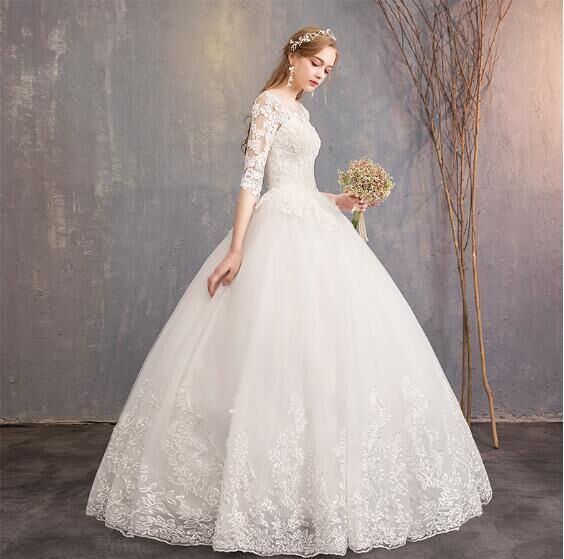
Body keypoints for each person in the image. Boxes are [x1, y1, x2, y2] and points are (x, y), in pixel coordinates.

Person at [86, 27, 492, 556]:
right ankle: (257, 488)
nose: (322, 74)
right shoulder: (269, 104)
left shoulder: (301, 112)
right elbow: (252, 179)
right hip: (277, 231)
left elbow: (298, 182)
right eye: (317, 63)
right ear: (295, 57)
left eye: (329, 69)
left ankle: (315, 487)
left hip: (313, 224)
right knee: (272, 351)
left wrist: (340, 201)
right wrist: (237, 250)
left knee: (323, 353)